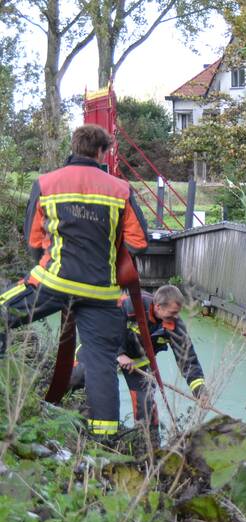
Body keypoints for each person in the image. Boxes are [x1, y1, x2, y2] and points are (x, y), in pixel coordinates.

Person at [0, 124, 148, 438]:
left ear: (74, 147)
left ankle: (4, 399)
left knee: (2, 314)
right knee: (100, 363)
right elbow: (139, 242)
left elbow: (33, 239)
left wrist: (47, 262)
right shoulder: (121, 189)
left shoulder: (46, 183)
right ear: (102, 152)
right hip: (102, 292)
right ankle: (104, 440)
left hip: (53, 282)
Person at [71, 284, 208, 442]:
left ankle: (148, 443)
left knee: (146, 402)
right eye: (172, 313)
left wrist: (200, 390)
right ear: (158, 306)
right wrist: (119, 353)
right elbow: (104, 324)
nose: (175, 317)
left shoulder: (174, 324)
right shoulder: (131, 304)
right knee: (79, 375)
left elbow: (187, 358)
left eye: (177, 313)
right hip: (102, 348)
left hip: (138, 359)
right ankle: (58, 403)